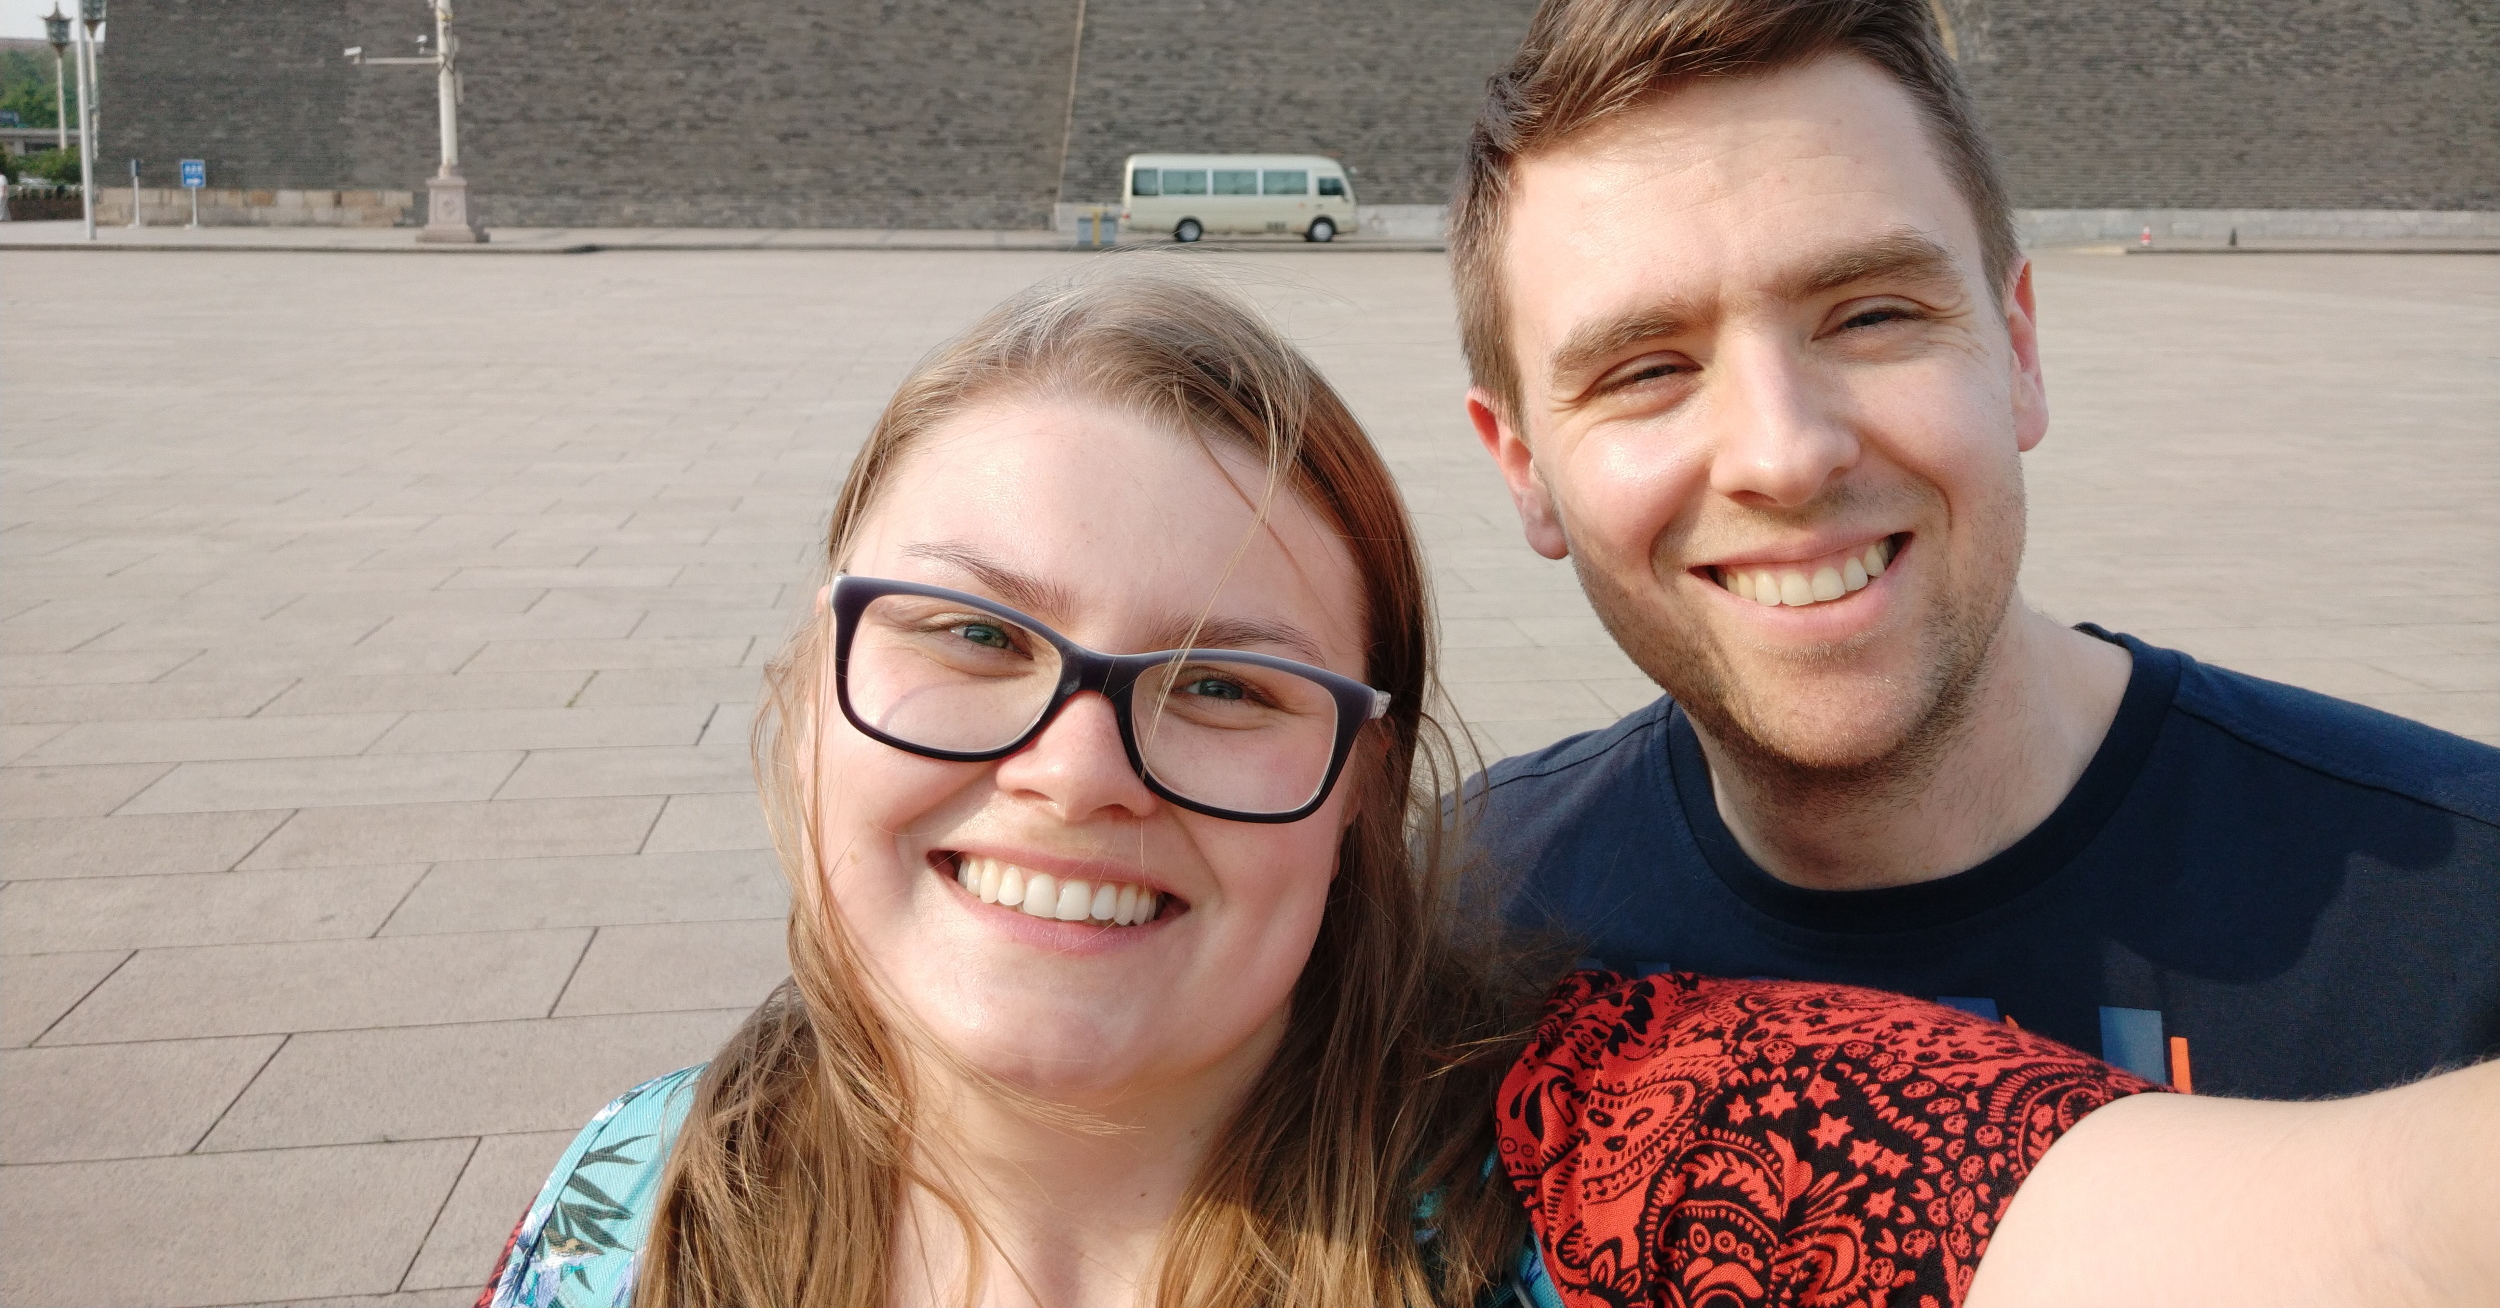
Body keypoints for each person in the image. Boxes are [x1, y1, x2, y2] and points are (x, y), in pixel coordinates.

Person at [480, 273, 2497, 1308]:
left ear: (1362, 793)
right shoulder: (635, 1206)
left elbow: (2355, 1240)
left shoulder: (1623, 1154)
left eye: (1225, 685)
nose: (1075, 767)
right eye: (969, 635)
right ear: (808, 693)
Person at [1453, 0, 2500, 1100]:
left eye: (1871, 315)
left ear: (2018, 352)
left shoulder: (2464, 924)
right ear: (1523, 466)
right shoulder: (1453, 934)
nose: (1784, 455)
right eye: (1646, 369)